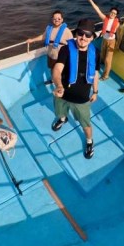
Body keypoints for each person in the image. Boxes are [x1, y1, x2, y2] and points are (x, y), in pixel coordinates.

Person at [51, 18, 99, 159]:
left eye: (87, 35)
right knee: (60, 112)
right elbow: (57, 70)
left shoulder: (95, 52)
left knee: (85, 124)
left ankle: (89, 141)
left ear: (92, 38)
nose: (83, 37)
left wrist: (95, 91)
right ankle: (63, 119)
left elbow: (95, 73)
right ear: (75, 34)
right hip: (63, 93)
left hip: (82, 98)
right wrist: (59, 86)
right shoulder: (66, 50)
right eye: (80, 33)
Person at [86, 0, 120, 79]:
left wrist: (117, 45)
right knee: (102, 54)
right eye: (112, 12)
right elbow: (97, 10)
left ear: (116, 15)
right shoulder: (105, 19)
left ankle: (106, 75)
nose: (112, 14)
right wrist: (90, 0)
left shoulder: (118, 23)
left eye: (114, 13)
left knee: (108, 60)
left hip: (111, 42)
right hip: (104, 40)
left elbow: (119, 34)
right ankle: (101, 63)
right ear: (109, 12)